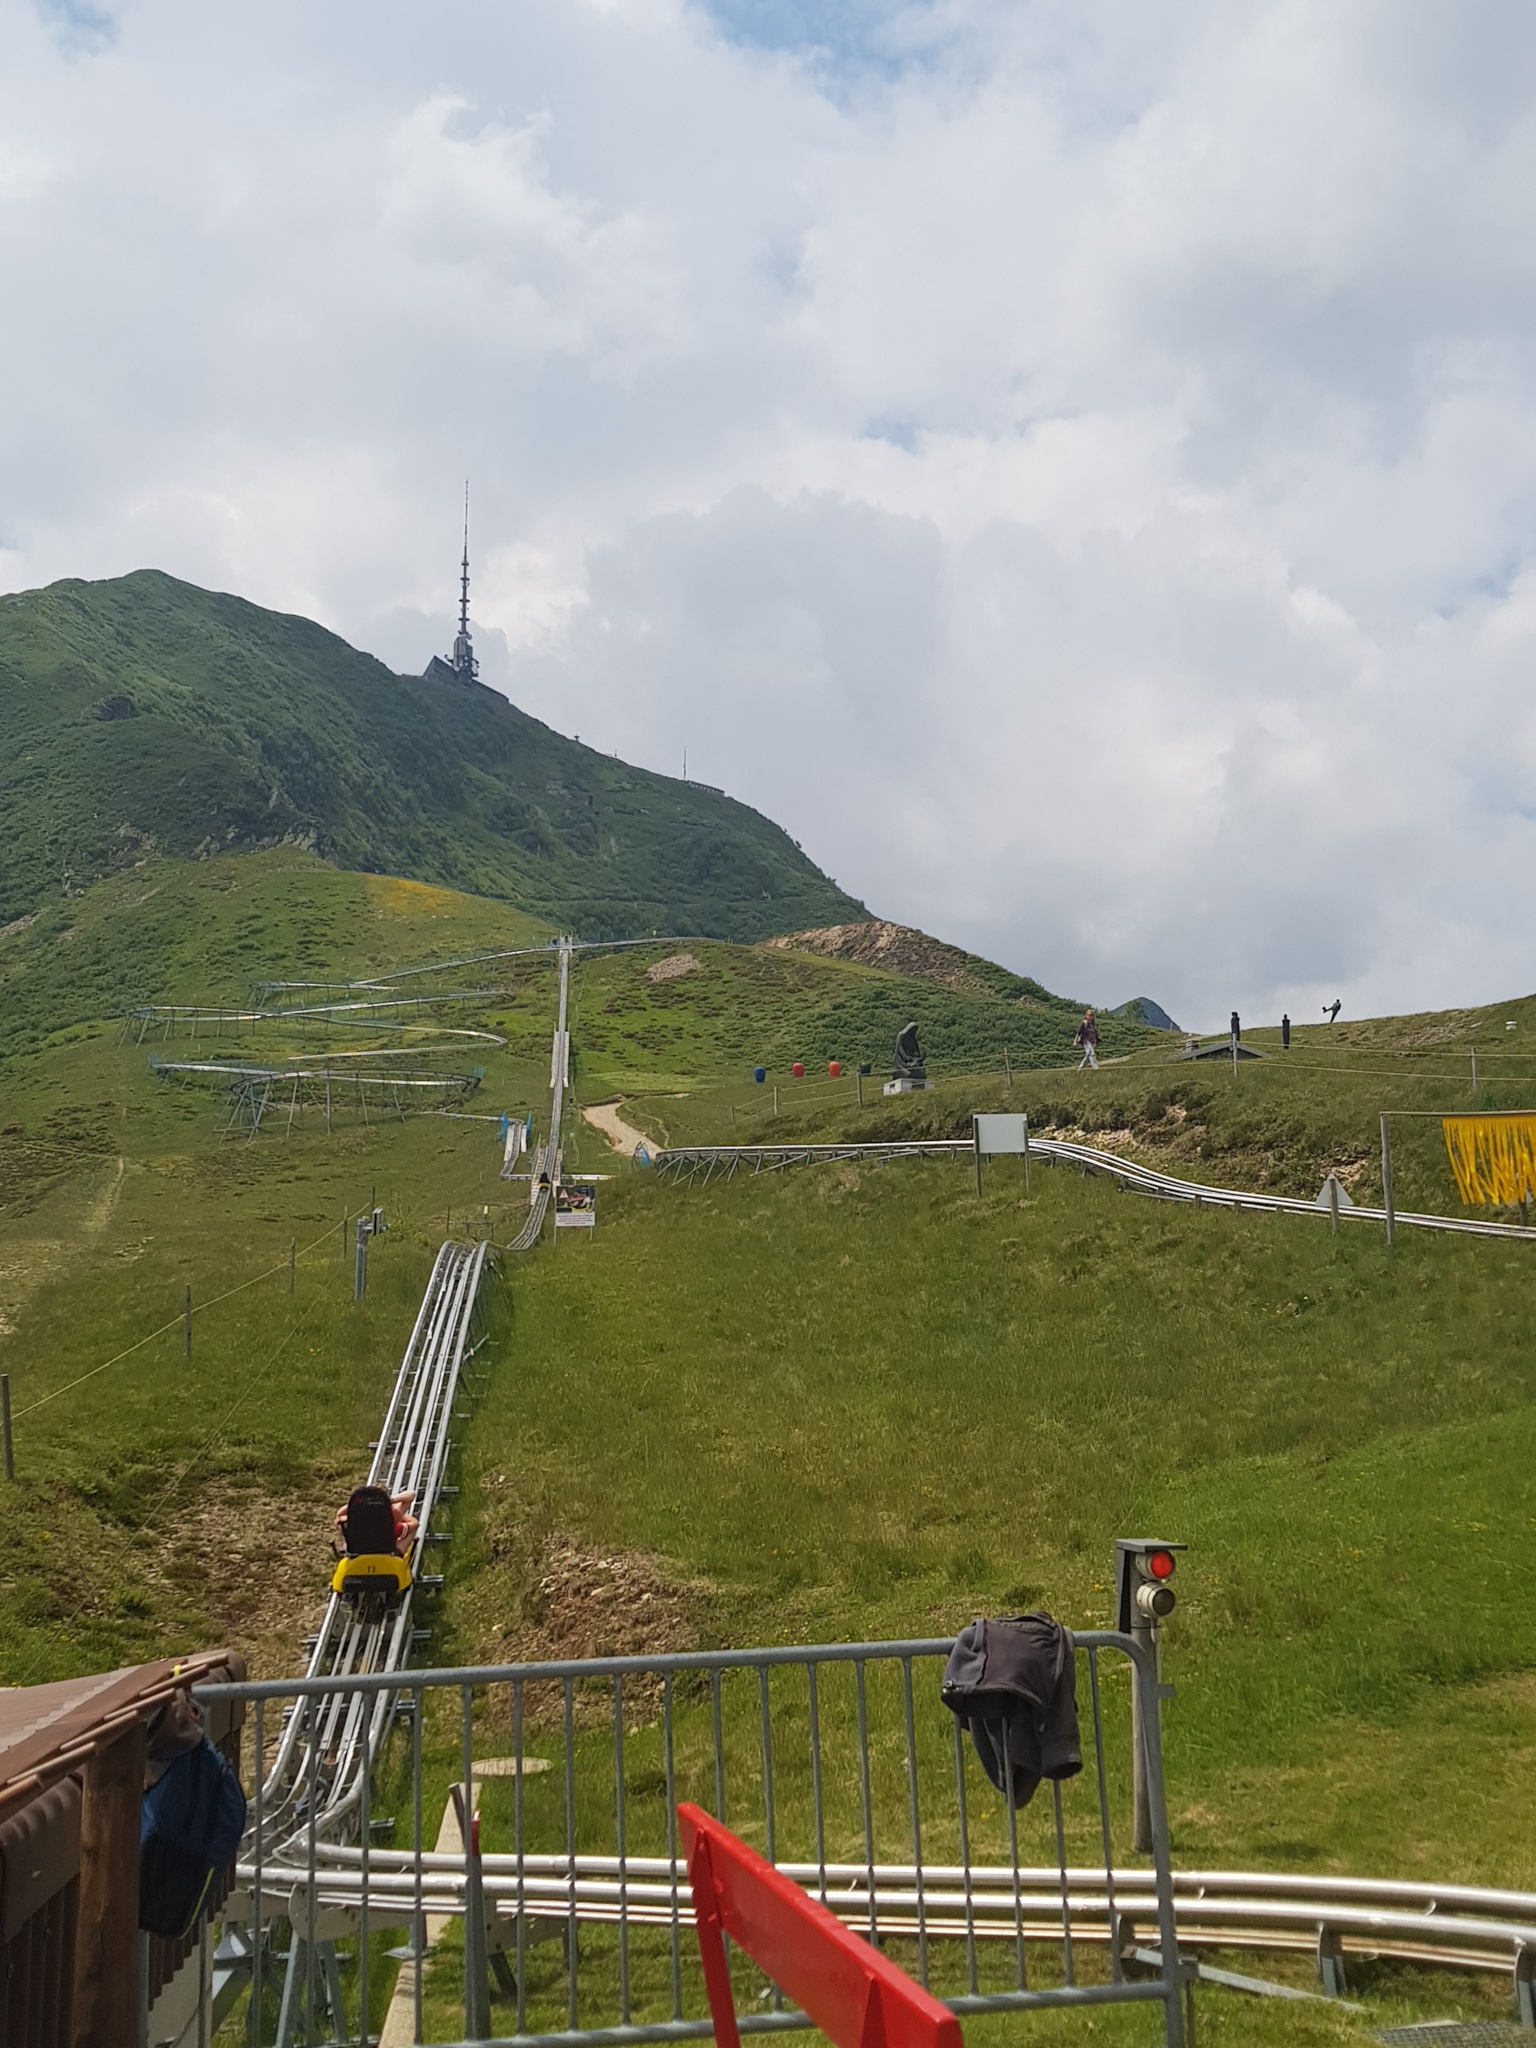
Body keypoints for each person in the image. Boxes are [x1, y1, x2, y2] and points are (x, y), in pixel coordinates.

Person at [335, 1485, 418, 1557]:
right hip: (387, 1553)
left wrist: (359, 1504)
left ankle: (346, 1550)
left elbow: (339, 1514)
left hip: (359, 1552)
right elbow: (411, 1495)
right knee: (412, 1530)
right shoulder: (392, 1525)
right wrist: (390, 1501)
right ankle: (399, 1556)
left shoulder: (358, 1525)